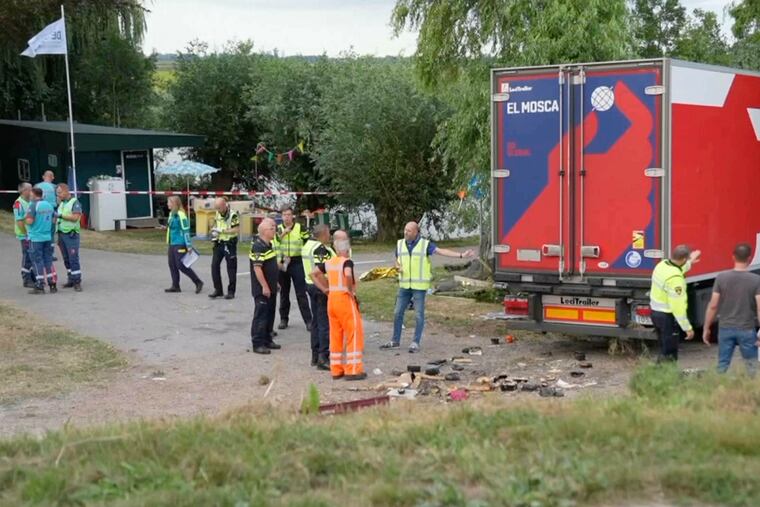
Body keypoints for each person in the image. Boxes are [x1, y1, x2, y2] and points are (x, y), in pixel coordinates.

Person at [381, 221, 474, 353]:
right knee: (397, 312)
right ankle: (395, 341)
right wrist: (397, 266)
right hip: (404, 285)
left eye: (409, 231)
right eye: (405, 230)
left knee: (419, 315)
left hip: (419, 286)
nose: (405, 232)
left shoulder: (425, 245)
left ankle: (415, 342)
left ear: (416, 232)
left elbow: (441, 251)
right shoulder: (400, 244)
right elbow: (397, 259)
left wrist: (461, 255)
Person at [312, 230, 365, 380]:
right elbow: (348, 274)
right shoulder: (346, 262)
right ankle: (353, 370)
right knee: (354, 333)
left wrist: (325, 288)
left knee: (335, 335)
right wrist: (350, 290)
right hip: (344, 300)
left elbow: (313, 273)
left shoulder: (329, 263)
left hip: (332, 301)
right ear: (346, 249)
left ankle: (336, 369)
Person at [702, 243, 760, 376]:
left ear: (733, 257)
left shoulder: (721, 277)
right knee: (751, 366)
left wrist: (706, 327)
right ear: (749, 258)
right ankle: (752, 393)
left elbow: (713, 305)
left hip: (725, 328)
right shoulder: (756, 280)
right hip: (746, 329)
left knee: (722, 364)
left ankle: (718, 391)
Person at [649, 244, 701, 361]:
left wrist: (690, 261)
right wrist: (687, 328)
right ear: (683, 259)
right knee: (670, 353)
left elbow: (679, 268)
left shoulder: (662, 265)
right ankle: (666, 377)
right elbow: (678, 307)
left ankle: (657, 376)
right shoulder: (676, 279)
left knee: (663, 349)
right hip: (667, 317)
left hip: (655, 313)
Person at [273, 206, 312, 330]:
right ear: (281, 216)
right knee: (284, 293)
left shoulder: (300, 228)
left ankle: (308, 321)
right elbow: (274, 243)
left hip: (296, 261)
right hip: (282, 261)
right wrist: (283, 234)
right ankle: (284, 319)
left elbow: (308, 243)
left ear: (293, 216)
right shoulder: (277, 229)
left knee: (301, 292)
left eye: (289, 215)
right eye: (284, 215)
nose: (287, 217)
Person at [302, 224, 335, 369]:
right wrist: (326, 288)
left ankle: (315, 355)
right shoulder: (320, 249)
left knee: (316, 323)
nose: (329, 236)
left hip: (310, 285)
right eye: (328, 233)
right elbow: (319, 271)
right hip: (320, 288)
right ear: (322, 234)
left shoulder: (307, 245)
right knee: (324, 324)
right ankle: (323, 356)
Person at [250, 218, 281, 355]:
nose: (275, 230)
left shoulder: (269, 245)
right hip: (263, 289)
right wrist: (265, 286)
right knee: (261, 314)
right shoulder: (258, 246)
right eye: (272, 228)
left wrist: (275, 282)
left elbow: (271, 266)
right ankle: (258, 343)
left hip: (271, 286)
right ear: (264, 231)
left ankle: (268, 338)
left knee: (270, 313)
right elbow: (257, 268)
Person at [165, 195, 203, 294]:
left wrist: (189, 245)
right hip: (172, 243)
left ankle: (198, 281)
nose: (167, 204)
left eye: (169, 202)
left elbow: (186, 230)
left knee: (181, 265)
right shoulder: (171, 214)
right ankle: (175, 286)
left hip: (180, 243)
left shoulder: (181, 215)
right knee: (172, 264)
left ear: (174, 204)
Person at [25, 188, 56, 294]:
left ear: (34, 194)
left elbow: (29, 221)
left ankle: (40, 284)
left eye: (30, 194)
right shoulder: (48, 205)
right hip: (47, 236)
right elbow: (54, 219)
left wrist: (26, 218)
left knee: (37, 261)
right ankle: (52, 283)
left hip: (36, 237)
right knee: (48, 260)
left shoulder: (33, 205)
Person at [209, 197, 240, 300]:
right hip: (219, 243)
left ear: (224, 205)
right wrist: (213, 231)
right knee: (214, 266)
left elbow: (236, 229)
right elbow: (216, 224)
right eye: (216, 208)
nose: (217, 210)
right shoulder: (218, 213)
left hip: (230, 244)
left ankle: (231, 291)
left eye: (219, 207)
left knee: (231, 268)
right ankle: (218, 290)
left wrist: (222, 230)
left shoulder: (233, 214)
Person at [55, 183, 83, 291]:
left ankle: (77, 281)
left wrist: (61, 216)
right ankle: (71, 279)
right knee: (66, 259)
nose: (58, 195)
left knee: (73, 259)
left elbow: (75, 217)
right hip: (61, 234)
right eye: (57, 193)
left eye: (60, 192)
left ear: (66, 191)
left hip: (71, 235)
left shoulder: (74, 202)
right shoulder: (62, 203)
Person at [13, 182, 35, 288]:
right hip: (25, 234)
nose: (32, 191)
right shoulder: (18, 203)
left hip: (32, 233)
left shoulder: (30, 201)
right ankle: (26, 278)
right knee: (27, 256)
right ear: (23, 191)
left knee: (32, 255)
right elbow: (19, 220)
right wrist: (25, 233)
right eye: (30, 189)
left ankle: (32, 275)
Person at [35, 170, 58, 259]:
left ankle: (39, 252)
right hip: (51, 211)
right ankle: (49, 254)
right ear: (52, 177)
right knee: (50, 233)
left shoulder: (37, 186)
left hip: (39, 211)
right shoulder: (55, 187)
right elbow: (58, 200)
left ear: (43, 177)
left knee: (39, 230)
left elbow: (32, 198)